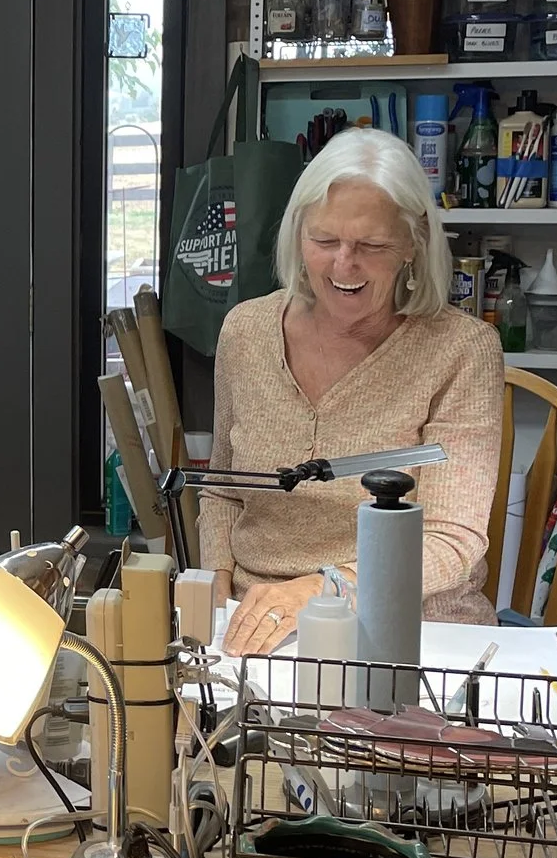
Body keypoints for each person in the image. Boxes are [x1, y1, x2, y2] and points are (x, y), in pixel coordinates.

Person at [206, 128, 505, 655]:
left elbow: (451, 539)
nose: (344, 265)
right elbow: (223, 490)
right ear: (298, 234)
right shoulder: (246, 332)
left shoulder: (461, 349)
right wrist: (213, 591)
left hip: (412, 626)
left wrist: (320, 590)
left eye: (371, 246)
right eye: (324, 241)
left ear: (413, 243)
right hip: (261, 624)